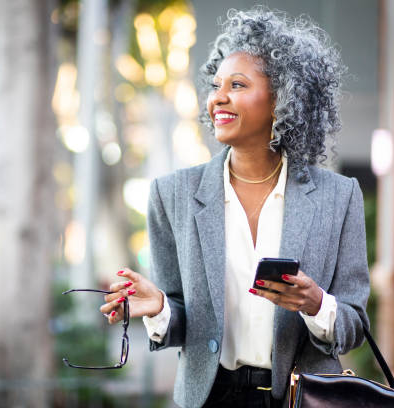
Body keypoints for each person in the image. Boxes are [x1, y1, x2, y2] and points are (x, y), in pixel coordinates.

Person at [100, 7, 370, 408]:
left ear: (284, 99)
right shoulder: (172, 193)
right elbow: (179, 317)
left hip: (303, 398)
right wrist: (159, 308)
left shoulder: (339, 196)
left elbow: (354, 327)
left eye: (238, 85)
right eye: (215, 85)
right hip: (210, 397)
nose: (218, 98)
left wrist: (316, 304)